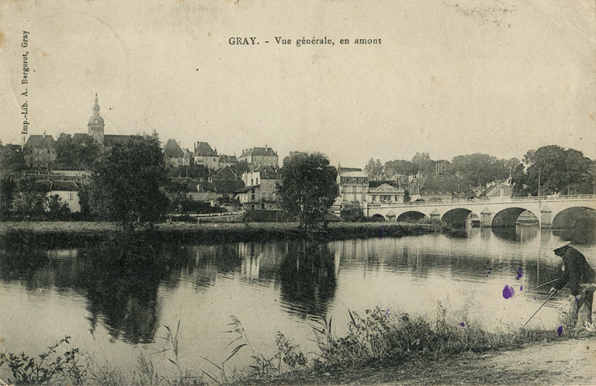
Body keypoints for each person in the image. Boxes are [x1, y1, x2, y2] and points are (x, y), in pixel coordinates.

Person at [549, 242, 596, 329]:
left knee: (573, 306)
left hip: (583, 285)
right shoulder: (571, 253)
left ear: (562, 248)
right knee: (586, 309)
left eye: (556, 251)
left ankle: (569, 330)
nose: (555, 254)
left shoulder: (569, 256)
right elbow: (567, 274)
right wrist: (556, 287)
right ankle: (586, 329)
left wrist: (573, 293)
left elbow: (574, 275)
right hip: (591, 282)